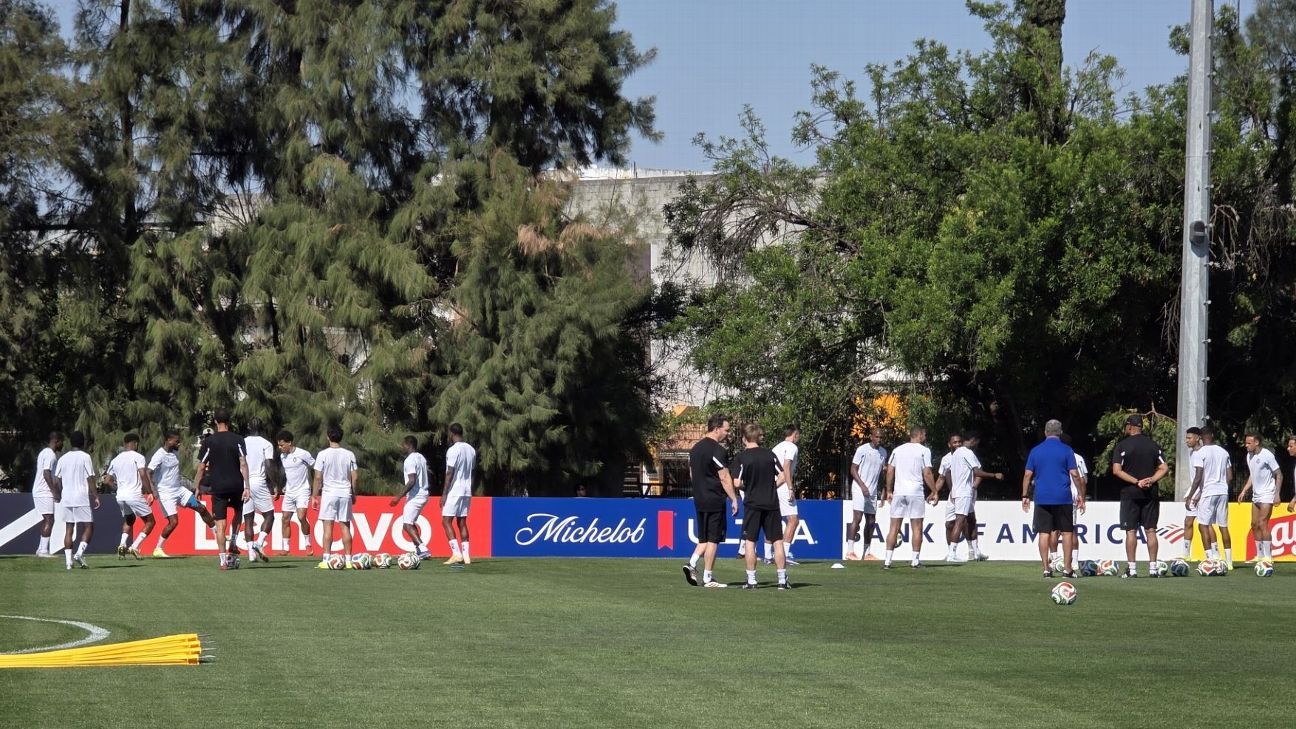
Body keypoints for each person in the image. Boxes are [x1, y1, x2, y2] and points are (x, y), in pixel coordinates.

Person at [1021, 420, 1084, 578]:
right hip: (1063, 497)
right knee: (1067, 532)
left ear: (1045, 432)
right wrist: (1081, 494)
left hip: (1042, 497)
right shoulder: (1066, 450)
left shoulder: (1035, 451)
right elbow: (1075, 474)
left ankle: (1046, 569)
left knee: (1044, 533)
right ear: (1060, 432)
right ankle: (1067, 569)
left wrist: (1025, 495)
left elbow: (1028, 474)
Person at [682, 414, 739, 588]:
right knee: (714, 539)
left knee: (704, 538)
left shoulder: (695, 448)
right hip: (714, 498)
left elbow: (692, 474)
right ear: (716, 429)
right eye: (726, 430)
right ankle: (708, 578)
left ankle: (691, 564)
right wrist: (734, 499)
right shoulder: (717, 450)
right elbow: (724, 477)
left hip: (699, 498)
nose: (728, 434)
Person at [731, 424, 789, 590]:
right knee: (777, 541)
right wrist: (772, 486)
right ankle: (782, 580)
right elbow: (783, 476)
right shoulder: (770, 455)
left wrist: (748, 488)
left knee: (750, 541)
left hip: (753, 504)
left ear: (744, 438)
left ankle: (752, 580)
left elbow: (736, 482)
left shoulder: (742, 457)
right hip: (771, 503)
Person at [1111, 414, 1169, 578]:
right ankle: (1153, 568)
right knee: (1151, 530)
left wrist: (1137, 482)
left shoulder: (1122, 446)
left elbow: (1116, 470)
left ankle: (1132, 569)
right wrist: (1151, 480)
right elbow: (1164, 468)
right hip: (1150, 493)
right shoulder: (1153, 445)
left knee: (1131, 531)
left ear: (1129, 426)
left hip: (1130, 493)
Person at [195, 408, 250, 570]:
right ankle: (233, 541)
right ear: (229, 421)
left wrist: (197, 486)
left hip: (218, 486)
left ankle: (222, 561)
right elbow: (243, 463)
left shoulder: (209, 441)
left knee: (220, 524)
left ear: (216, 422)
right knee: (238, 513)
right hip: (236, 484)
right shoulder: (238, 439)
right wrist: (247, 486)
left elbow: (201, 467)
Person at [149, 430, 216, 557]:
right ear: (168, 440)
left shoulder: (175, 453)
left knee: (201, 508)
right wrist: (153, 491)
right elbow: (148, 472)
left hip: (179, 490)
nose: (179, 443)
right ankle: (158, 549)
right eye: (177, 441)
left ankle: (217, 535)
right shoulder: (159, 455)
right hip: (166, 493)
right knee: (173, 522)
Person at [882, 426, 939, 570]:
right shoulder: (924, 451)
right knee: (917, 527)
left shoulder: (898, 450)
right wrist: (935, 491)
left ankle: (887, 561)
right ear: (919, 435)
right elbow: (927, 473)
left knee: (894, 527)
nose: (925, 437)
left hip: (899, 492)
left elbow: (890, 471)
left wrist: (889, 490)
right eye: (924, 434)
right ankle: (915, 561)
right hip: (915, 492)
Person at [946, 432, 1002, 562]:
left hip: (959, 491)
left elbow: (949, 472)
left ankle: (976, 552)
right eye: (976, 441)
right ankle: (952, 553)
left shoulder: (955, 454)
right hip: (963, 491)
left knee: (972, 520)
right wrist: (994, 475)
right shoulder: (967, 452)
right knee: (960, 521)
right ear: (972, 440)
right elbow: (977, 471)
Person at [1183, 426, 1232, 568]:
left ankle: (1210, 559)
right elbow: (1230, 476)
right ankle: (1228, 562)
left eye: (1189, 438)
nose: (1187, 441)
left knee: (1203, 525)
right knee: (1223, 526)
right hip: (1222, 491)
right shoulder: (1223, 452)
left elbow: (1199, 477)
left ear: (1201, 437)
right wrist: (1222, 487)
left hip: (1206, 491)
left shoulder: (1201, 452)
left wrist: (1194, 494)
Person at [312, 424, 358, 568]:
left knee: (328, 527)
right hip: (345, 493)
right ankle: (349, 560)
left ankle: (326, 559)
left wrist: (314, 495)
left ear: (327, 437)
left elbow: (318, 477)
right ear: (341, 437)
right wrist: (354, 493)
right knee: (345, 526)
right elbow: (355, 477)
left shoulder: (323, 454)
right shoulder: (349, 454)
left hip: (329, 493)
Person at [52, 431, 98, 570]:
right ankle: (79, 554)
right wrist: (95, 495)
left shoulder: (63, 458)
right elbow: (90, 477)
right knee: (89, 526)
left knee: (69, 528)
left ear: (70, 442)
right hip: (81, 497)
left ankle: (68, 562)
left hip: (67, 497)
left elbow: (56, 479)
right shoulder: (85, 457)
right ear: (82, 442)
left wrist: (59, 493)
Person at [105, 433, 154, 560]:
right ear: (135, 443)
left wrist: (118, 489)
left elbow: (107, 480)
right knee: (150, 521)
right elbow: (143, 474)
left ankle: (122, 545)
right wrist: (149, 491)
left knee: (129, 519)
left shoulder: (115, 460)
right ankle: (135, 546)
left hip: (121, 496)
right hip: (134, 495)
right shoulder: (138, 457)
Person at [1238, 433, 1282, 564]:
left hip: (1267, 494)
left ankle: (1269, 557)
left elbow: (1279, 474)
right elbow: (1252, 475)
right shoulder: (1249, 456)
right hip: (1256, 495)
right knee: (1254, 524)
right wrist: (1244, 490)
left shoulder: (1267, 455)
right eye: (1246, 443)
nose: (1246, 445)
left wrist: (1277, 494)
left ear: (1256, 443)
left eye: (1249, 443)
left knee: (1263, 523)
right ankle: (1259, 555)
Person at [238, 418, 276, 563]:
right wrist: (274, 484)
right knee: (270, 515)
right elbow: (268, 464)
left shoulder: (242, 442)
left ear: (248, 426)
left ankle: (250, 553)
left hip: (244, 482)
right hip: (258, 482)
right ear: (262, 427)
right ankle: (259, 543)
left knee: (248, 519)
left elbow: (239, 462)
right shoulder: (266, 444)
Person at [847, 428, 887, 560]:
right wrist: (862, 485)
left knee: (871, 521)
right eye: (876, 437)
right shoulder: (862, 450)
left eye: (881, 438)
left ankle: (867, 552)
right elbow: (853, 469)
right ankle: (850, 551)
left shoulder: (883, 452)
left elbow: (882, 474)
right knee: (857, 518)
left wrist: (884, 491)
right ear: (871, 437)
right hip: (859, 488)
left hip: (873, 491)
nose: (879, 440)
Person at [389, 435, 431, 559]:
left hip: (416, 496)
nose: (402, 446)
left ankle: (423, 549)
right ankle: (419, 550)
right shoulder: (421, 457)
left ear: (407, 445)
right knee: (408, 524)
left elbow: (412, 481)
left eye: (403, 444)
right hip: (423, 493)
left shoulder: (410, 460)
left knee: (407, 525)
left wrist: (398, 497)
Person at [275, 430, 316, 555]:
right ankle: (286, 548)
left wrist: (315, 486)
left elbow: (316, 468)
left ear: (289, 443)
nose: (280, 447)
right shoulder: (283, 456)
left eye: (282, 445)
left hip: (303, 490)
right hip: (289, 491)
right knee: (285, 519)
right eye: (279, 445)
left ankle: (308, 544)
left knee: (301, 517)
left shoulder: (303, 454)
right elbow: (287, 474)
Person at [441, 423, 476, 566]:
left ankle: (456, 554)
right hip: (467, 490)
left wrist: (444, 493)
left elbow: (449, 472)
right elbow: (473, 472)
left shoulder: (453, 450)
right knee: (462, 522)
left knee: (446, 521)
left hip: (455, 490)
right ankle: (466, 556)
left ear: (451, 433)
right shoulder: (471, 449)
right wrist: (470, 488)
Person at [1054, 434, 1087, 566]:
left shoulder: (1056, 456)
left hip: (1056, 494)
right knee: (1071, 529)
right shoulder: (1078, 458)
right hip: (1072, 495)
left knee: (1054, 529)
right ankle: (1074, 562)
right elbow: (1083, 479)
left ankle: (1054, 559)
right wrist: (1082, 496)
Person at [772, 425, 801, 565]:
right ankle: (783, 554)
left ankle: (770, 554)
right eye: (798, 434)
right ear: (794, 434)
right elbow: (786, 466)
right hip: (782, 485)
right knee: (793, 519)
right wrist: (790, 487)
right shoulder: (791, 447)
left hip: (773, 485)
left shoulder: (776, 447)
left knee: (774, 519)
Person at [31, 431, 63, 558]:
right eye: (61, 442)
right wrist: (54, 491)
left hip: (40, 490)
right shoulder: (50, 455)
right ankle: (43, 551)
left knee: (47, 519)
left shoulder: (43, 452)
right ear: (56, 441)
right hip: (43, 491)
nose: (62, 444)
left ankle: (40, 549)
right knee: (49, 519)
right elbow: (46, 473)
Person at [936, 433, 962, 558]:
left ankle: (973, 550)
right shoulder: (946, 459)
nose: (957, 444)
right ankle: (951, 552)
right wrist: (934, 493)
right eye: (954, 442)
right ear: (949, 444)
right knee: (949, 524)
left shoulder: (966, 455)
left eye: (959, 442)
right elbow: (941, 478)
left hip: (964, 494)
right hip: (952, 496)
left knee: (966, 522)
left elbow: (977, 471)